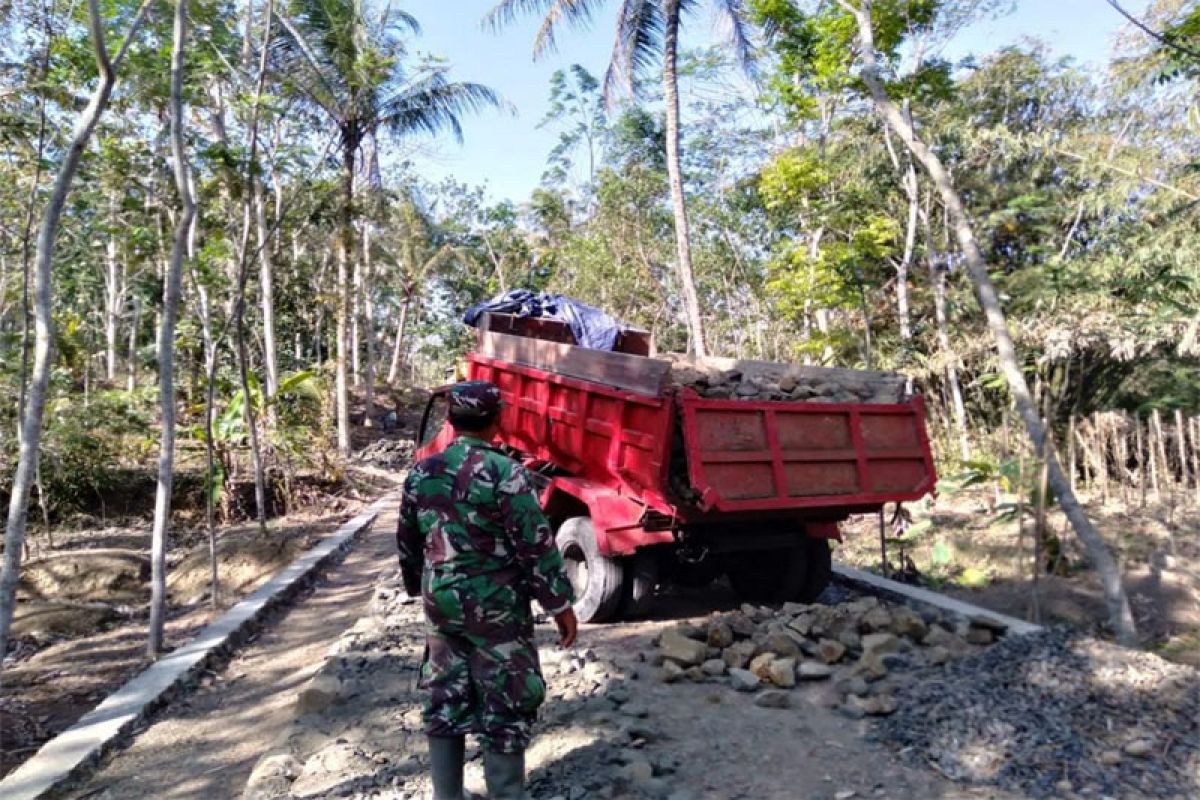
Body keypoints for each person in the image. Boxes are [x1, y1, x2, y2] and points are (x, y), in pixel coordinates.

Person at [397, 380, 578, 800]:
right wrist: (559, 604)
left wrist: (418, 586)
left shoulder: (422, 472)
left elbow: (407, 541)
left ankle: (448, 796)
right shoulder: (506, 473)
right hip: (497, 610)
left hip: (441, 604)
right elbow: (535, 543)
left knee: (445, 694)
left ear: (450, 420)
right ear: (497, 422)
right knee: (507, 701)